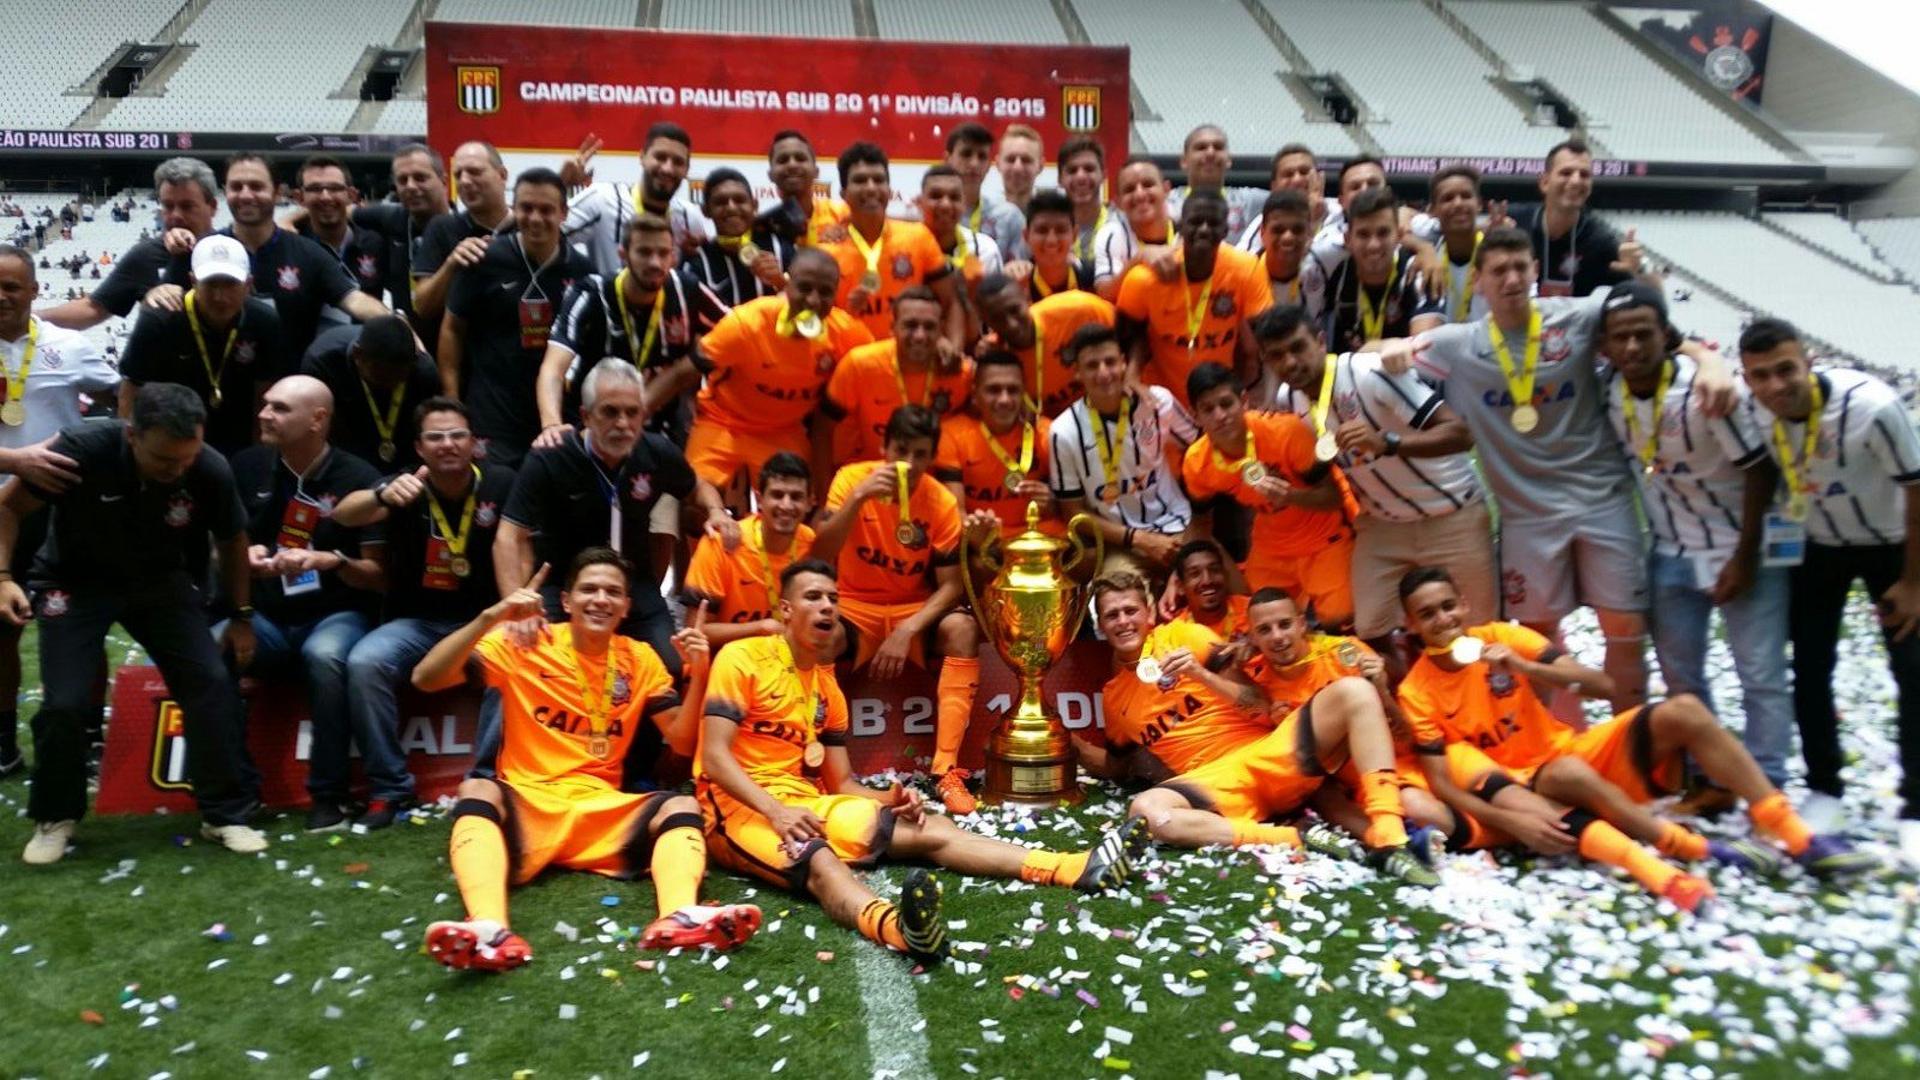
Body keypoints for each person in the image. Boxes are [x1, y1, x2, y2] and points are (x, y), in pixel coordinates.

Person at [698, 559, 1145, 968]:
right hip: (737, 810)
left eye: (833, 598)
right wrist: (775, 811)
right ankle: (902, 930)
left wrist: (890, 798)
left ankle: (1073, 866)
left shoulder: (828, 691)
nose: (828, 606)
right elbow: (715, 760)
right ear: (786, 610)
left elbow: (842, 783)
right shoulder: (742, 659)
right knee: (819, 861)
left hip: (804, 804)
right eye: (813, 597)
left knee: (929, 828)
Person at [1392, 227, 1739, 713]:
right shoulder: (1457, 345)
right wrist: (1389, 350)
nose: (1511, 279)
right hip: (1527, 516)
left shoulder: (1579, 316)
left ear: (1535, 271)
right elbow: (1379, 354)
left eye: (1520, 268)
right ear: (1482, 281)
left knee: (1624, 629)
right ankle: (1558, 744)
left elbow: (1651, 318)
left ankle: (1630, 747)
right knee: (1537, 639)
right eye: (1499, 271)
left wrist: (1706, 359)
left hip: (1602, 500)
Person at [1397, 566, 1875, 892]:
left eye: (1448, 606)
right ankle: (1682, 848)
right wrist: (1510, 821)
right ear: (1412, 625)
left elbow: (1602, 686)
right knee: (1566, 773)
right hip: (1526, 786)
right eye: (1428, 614)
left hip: (1574, 752)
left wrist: (1527, 668)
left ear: (1463, 603)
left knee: (1684, 709)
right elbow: (1443, 782)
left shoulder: (1500, 637)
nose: (1444, 620)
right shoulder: (1416, 692)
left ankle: (1794, 833)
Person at [412, 549, 762, 971]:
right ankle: (489, 927)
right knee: (477, 787)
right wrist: (493, 616)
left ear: (627, 606)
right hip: (529, 805)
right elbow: (425, 677)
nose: (601, 599)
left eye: (613, 592)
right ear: (567, 600)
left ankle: (680, 915)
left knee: (681, 804)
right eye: (590, 589)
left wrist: (700, 672)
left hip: (600, 811)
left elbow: (683, 744)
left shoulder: (640, 658)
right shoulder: (524, 641)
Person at [3, 384, 265, 862]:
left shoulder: (208, 467)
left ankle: (225, 813)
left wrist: (241, 615)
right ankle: (55, 817)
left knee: (209, 680)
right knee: (64, 702)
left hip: (161, 583)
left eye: (187, 457)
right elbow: (10, 507)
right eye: (165, 459)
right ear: (131, 436)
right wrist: (2, 576)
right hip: (73, 583)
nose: (178, 469)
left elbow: (232, 542)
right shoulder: (78, 452)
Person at [1736, 317, 1920, 861]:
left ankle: (1916, 804)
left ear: (1808, 360)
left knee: (1911, 668)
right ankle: (1824, 788)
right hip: (1816, 546)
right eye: (1760, 375)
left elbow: (1917, 488)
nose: (1775, 386)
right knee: (1811, 666)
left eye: (1785, 370)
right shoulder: (1753, 412)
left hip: (1889, 544)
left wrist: (1913, 581)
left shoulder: (1873, 408)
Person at [1598, 287, 1793, 798]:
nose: (1633, 347)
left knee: (1761, 673)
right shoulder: (1607, 390)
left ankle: (1767, 784)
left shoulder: (1707, 391)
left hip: (1738, 547)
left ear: (1666, 336)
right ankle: (1710, 779)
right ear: (1606, 346)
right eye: (1621, 337)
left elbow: (1759, 469)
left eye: (1644, 334)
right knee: (1681, 677)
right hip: (1670, 553)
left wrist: (1746, 556)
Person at [1256, 306, 1493, 665]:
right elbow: (1323, 462)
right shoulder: (1291, 400)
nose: (1290, 362)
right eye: (1277, 356)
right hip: (1382, 525)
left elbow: (1461, 435)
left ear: (1321, 342)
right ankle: (1410, 703)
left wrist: (1389, 442)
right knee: (1370, 629)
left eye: (1297, 348)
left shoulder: (1368, 372)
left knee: (1477, 632)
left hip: (1449, 513)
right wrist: (1286, 485)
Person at [332, 397, 515, 829]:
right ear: (419, 447)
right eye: (435, 437)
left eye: (457, 435)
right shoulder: (403, 488)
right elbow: (342, 514)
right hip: (416, 624)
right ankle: (391, 790)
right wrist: (381, 493)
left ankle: (486, 782)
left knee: (514, 666)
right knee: (363, 662)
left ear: (475, 443)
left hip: (481, 623)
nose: (447, 444)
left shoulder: (502, 482)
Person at [497, 360, 735, 678]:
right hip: (565, 586)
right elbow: (507, 538)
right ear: (585, 416)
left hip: (634, 586)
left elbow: (696, 487)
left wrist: (717, 511)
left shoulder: (656, 452)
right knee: (517, 652)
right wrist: (516, 608)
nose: (623, 423)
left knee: (671, 668)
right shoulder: (551, 457)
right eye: (610, 412)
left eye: (632, 412)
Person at [224, 376, 384, 832]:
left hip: (336, 613)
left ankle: (328, 797)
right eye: (265, 404)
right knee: (215, 652)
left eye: (279, 408)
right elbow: (224, 547)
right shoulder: (247, 466)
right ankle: (238, 794)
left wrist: (330, 560)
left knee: (325, 655)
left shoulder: (359, 478)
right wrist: (245, 555)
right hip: (265, 615)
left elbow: (379, 576)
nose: (263, 414)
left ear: (318, 420)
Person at [812, 406, 982, 813]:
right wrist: (858, 498)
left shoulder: (939, 500)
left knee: (962, 629)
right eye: (901, 450)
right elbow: (820, 552)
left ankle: (946, 770)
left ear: (931, 457)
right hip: (854, 605)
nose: (909, 463)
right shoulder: (851, 480)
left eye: (920, 454)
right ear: (885, 446)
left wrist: (906, 629)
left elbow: (951, 587)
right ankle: (816, 766)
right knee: (819, 636)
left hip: (911, 609)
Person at [0, 246, 118, 777]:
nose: (2, 296)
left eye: (12, 286)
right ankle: (4, 742)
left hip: (57, 509)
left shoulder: (68, 346)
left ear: (34, 290)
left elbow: (123, 394)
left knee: (77, 622)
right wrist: (14, 460)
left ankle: (89, 736)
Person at [665, 249, 872, 496]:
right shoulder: (748, 323)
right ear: (787, 285)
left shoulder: (846, 333)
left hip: (783, 431)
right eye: (804, 288)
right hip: (724, 421)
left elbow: (882, 364)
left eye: (825, 292)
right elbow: (681, 374)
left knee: (798, 504)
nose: (814, 301)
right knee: (691, 500)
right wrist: (640, 414)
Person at [143, 155, 389, 360]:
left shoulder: (308, 253)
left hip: (289, 395)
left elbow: (354, 300)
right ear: (225, 192)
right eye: (236, 186)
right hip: (217, 390)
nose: (246, 195)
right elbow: (162, 304)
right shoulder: (201, 251)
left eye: (256, 186)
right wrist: (155, 295)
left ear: (277, 192)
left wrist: (398, 325)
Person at [440, 167, 593, 468]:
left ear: (563, 213)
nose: (535, 218)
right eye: (526, 208)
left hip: (556, 415)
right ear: (515, 208)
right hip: (491, 416)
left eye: (546, 209)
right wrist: (453, 404)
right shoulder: (483, 259)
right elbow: (452, 329)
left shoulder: (583, 271)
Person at [1183, 361, 1353, 629]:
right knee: (1259, 617)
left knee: (1338, 619)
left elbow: (1333, 498)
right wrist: (1179, 571)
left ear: (1244, 400)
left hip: (1323, 534)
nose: (1220, 415)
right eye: (1208, 409)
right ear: (1195, 415)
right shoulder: (1196, 462)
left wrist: (1291, 497)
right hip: (1272, 541)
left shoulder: (1285, 431)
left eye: (1226, 404)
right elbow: (1200, 523)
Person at [538, 214, 702, 449]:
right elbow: (553, 368)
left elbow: (736, 326)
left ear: (673, 257)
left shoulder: (686, 288)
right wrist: (551, 425)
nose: (655, 263)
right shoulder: (591, 293)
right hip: (596, 432)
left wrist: (690, 365)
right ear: (623, 254)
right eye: (644, 252)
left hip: (661, 434)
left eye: (663, 253)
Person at [1048, 324, 1198, 579]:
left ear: (1124, 363)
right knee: (1121, 605)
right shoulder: (1063, 431)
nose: (1104, 373)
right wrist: (1140, 539)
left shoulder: (1158, 402)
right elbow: (1074, 514)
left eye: (1110, 362)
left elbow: (1200, 447)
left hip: (1179, 526)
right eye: (1092, 366)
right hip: (1122, 543)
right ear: (1077, 373)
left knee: (1211, 581)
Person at [117, 235, 287, 457]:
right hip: (170, 441)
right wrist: (132, 453)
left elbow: (264, 395)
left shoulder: (264, 321)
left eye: (230, 284)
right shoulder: (159, 321)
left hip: (238, 441)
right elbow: (130, 393)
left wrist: (259, 458)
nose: (220, 296)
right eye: (210, 284)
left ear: (248, 285)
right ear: (193, 281)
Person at [1116, 189, 1271, 410]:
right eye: (1196, 222)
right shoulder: (1144, 279)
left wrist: (1242, 385)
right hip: (1161, 401)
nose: (1204, 229)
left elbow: (1259, 337)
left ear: (1225, 230)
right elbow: (1130, 335)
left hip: (1217, 401)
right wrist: (1131, 375)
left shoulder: (1246, 269)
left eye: (1213, 223)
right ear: (1180, 227)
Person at [38, 157, 220, 331]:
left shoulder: (232, 250)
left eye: (187, 206)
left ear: (212, 207)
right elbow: (92, 309)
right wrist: (28, 318)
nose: (176, 215)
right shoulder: (146, 255)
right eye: (168, 206)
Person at [818, 142, 963, 347]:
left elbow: (950, 302)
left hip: (909, 361)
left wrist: (953, 348)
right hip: (851, 365)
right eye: (860, 181)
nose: (871, 188)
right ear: (843, 194)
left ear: (889, 189)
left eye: (878, 180)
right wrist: (847, 314)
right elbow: (818, 322)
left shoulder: (918, 236)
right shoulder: (826, 253)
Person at [682, 452, 817, 650]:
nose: (786, 505)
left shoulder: (811, 543)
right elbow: (694, 630)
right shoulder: (720, 542)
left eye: (796, 497)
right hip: (725, 662)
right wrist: (759, 628)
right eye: (777, 495)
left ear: (810, 502)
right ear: (760, 499)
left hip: (783, 660)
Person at [823, 286, 972, 463]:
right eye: (910, 325)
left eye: (929, 327)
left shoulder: (959, 372)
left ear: (941, 330)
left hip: (931, 483)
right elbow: (824, 429)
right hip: (867, 476)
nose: (919, 335)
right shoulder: (859, 365)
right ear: (893, 327)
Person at [934, 350, 1059, 538]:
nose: (1004, 400)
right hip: (986, 540)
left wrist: (1052, 503)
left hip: (1039, 537)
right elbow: (955, 514)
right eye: (993, 390)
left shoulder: (1046, 432)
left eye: (1013, 390)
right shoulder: (951, 435)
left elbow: (1073, 505)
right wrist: (978, 535)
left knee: (1087, 554)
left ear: (1023, 392)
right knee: (978, 564)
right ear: (975, 394)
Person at [563, 123, 709, 275]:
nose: (667, 169)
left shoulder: (689, 218)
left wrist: (704, 250)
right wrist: (560, 184)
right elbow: (545, 237)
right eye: (660, 157)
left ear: (687, 170)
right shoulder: (602, 200)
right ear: (642, 157)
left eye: (678, 162)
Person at [300, 316, 440, 471]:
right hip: (343, 443)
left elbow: (423, 431)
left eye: (399, 379)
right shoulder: (323, 363)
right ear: (357, 355)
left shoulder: (423, 372)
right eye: (381, 378)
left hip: (401, 447)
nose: (390, 385)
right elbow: (319, 430)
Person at [1510, 139, 1645, 299]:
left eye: (1584, 174)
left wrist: (1638, 271)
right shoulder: (1513, 223)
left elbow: (1642, 298)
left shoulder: (1601, 241)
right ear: (1544, 182)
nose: (1576, 181)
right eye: (1566, 173)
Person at [345, 144, 453, 341]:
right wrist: (288, 220)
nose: (411, 186)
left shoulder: (465, 228)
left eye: (420, 177)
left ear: (444, 181)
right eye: (403, 180)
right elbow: (340, 210)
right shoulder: (391, 217)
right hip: (408, 348)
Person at [1319, 188, 1445, 353]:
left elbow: (1423, 349)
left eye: (1383, 233)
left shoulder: (1420, 272)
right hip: (1348, 376)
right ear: (1348, 239)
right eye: (1363, 235)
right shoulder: (1335, 275)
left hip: (1406, 376)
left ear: (1399, 235)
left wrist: (1369, 350)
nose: (1374, 245)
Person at [976, 269, 1115, 419]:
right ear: (987, 322)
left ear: (1027, 298)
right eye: (998, 318)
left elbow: (1130, 332)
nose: (1011, 324)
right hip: (1061, 433)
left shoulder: (1078, 309)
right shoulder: (996, 358)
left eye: (1015, 310)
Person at [411, 141, 511, 324]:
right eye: (458, 175)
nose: (464, 181)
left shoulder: (527, 227)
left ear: (502, 175)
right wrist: (452, 265)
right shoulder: (442, 228)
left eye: (474, 172)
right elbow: (422, 307)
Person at [678, 167, 790, 315]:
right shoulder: (697, 262)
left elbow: (808, 306)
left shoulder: (780, 249)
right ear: (706, 211)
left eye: (739, 200)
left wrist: (780, 282)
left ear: (754, 205)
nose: (731, 207)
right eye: (721, 202)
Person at [292, 155, 387, 299]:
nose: (326, 197)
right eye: (315, 189)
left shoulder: (377, 243)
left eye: (335, 188)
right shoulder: (291, 247)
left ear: (351, 195)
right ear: (299, 197)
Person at [1162, 125, 1269, 243]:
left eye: (1218, 147)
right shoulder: (1165, 203)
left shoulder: (1252, 202)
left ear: (1229, 160)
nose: (1210, 153)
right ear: (1184, 161)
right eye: (1201, 147)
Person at [1092, 156, 1176, 301]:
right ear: (1118, 202)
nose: (1139, 194)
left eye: (1148, 184)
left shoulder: (1188, 227)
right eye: (1129, 189)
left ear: (1166, 189)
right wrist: (1140, 258)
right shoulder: (1112, 234)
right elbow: (1104, 294)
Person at [944, 123, 1025, 264]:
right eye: (966, 154)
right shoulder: (932, 214)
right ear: (947, 159)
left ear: (989, 165)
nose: (974, 163)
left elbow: (1021, 271)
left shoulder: (1009, 217)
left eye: (982, 156)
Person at [1001, 189, 1095, 303]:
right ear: (1026, 236)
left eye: (1061, 230)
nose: (1051, 240)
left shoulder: (1092, 280)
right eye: (1042, 230)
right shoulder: (1015, 284)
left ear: (1074, 235)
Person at [762, 130, 847, 247]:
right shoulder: (765, 228)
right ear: (770, 175)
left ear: (816, 172)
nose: (792, 165)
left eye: (800, 158)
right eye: (783, 160)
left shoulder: (843, 216)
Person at [1166, 539, 1249, 644]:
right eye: (1195, 574)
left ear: (1226, 576)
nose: (1207, 580)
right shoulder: (1172, 636)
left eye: (1214, 570)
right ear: (1180, 586)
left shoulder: (1253, 612)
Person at [1056, 137, 1109, 271]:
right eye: (1072, 170)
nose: (1081, 177)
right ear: (1060, 179)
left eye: (1089, 169)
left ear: (1104, 175)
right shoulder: (1047, 230)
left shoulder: (1122, 224)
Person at [994, 123, 1045, 226]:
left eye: (1026, 160)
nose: (1017, 168)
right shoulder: (987, 216)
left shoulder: (1051, 218)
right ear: (998, 163)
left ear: (1040, 166)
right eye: (1010, 159)